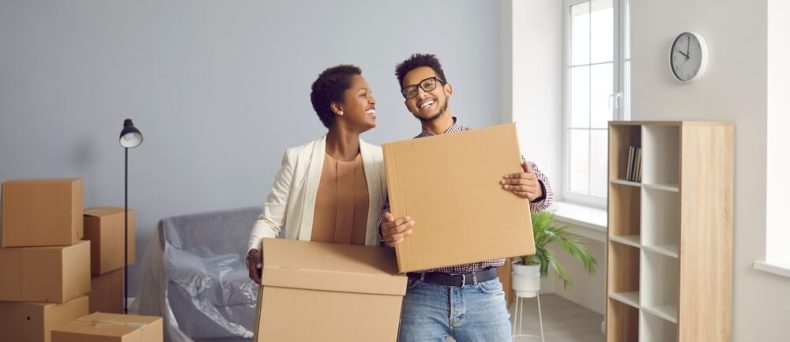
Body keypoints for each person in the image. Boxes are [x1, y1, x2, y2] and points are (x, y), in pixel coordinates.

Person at [381, 53, 554, 342]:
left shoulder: (486, 145)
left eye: (428, 85)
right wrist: (386, 231)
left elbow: (543, 196)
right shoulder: (403, 161)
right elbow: (387, 220)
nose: (421, 95)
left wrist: (536, 188)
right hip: (423, 293)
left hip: (483, 291)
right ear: (407, 104)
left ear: (447, 88)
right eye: (411, 91)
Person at [246, 64, 387, 283]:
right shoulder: (298, 159)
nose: (373, 100)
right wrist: (254, 251)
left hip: (362, 284)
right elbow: (270, 220)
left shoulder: (381, 162)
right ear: (338, 107)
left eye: (371, 94)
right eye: (363, 94)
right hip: (305, 282)